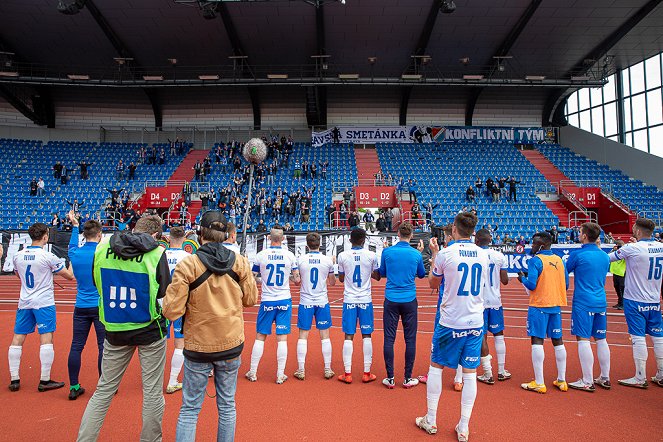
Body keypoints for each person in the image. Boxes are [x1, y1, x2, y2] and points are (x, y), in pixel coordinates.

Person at [162, 211, 258, 442]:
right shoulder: (240, 262)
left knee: (190, 409)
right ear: (225, 235)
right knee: (227, 406)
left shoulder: (188, 265)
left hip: (198, 345)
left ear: (200, 233)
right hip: (231, 343)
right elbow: (250, 299)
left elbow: (171, 311)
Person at [77, 216, 171, 441]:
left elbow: (97, 281)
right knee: (152, 393)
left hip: (114, 327)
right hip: (149, 328)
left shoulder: (102, 249)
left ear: (134, 229)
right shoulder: (156, 253)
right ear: (156, 235)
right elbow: (163, 293)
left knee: (104, 391)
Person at [415, 212, 488, 440]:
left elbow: (433, 283)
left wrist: (434, 257)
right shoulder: (483, 255)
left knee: (436, 367)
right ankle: (464, 426)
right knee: (469, 374)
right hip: (475, 320)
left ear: (454, 229)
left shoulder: (446, 254)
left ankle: (431, 418)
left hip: (450, 320)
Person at [8, 223, 75, 393]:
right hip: (43, 302)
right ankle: (44, 379)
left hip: (25, 301)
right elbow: (68, 277)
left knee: (17, 338)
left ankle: (14, 378)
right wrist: (71, 262)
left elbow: (19, 275)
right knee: (46, 338)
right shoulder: (48, 256)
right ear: (45, 236)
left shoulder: (18, 255)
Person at [608, 218, 663, 388]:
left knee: (638, 337)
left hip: (635, 299)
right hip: (654, 299)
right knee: (658, 337)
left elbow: (606, 259)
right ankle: (661, 374)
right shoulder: (661, 246)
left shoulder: (632, 248)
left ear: (638, 231)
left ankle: (640, 377)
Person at [246, 227, 300, 384]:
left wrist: (262, 280)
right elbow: (297, 280)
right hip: (284, 299)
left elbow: (252, 277)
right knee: (282, 338)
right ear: (283, 239)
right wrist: (289, 277)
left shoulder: (261, 255)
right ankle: (280, 374)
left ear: (269, 238)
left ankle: (253, 372)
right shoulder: (289, 256)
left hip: (267, 300)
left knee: (260, 336)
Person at [518, 231, 569, 394]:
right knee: (558, 341)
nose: (531, 246)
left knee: (537, 340)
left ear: (541, 245)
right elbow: (566, 284)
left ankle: (539, 382)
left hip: (539, 305)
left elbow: (532, 285)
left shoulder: (535, 261)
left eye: (533, 243)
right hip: (556, 305)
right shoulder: (559, 260)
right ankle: (562, 380)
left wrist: (522, 279)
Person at [565, 222, 612, 392]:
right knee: (601, 338)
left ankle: (587, 380)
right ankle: (605, 377)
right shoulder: (604, 256)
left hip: (583, 301)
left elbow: (565, 272)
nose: (578, 234)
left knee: (583, 339)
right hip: (601, 300)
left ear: (585, 236)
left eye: (580, 232)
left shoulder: (577, 255)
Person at [380, 223, 425, 389]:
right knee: (410, 339)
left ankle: (390, 377)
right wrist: (418, 255)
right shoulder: (415, 254)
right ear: (411, 235)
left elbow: (383, 272)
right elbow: (421, 275)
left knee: (389, 339)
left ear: (398, 234)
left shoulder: (387, 252)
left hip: (391, 299)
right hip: (409, 299)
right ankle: (407, 377)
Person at [66, 211, 105, 400]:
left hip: (80, 305)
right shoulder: (102, 254)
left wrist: (74, 225)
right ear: (99, 235)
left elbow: (71, 244)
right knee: (103, 346)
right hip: (99, 306)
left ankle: (74, 386)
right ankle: (103, 385)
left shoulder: (75, 253)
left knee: (76, 346)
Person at [337, 228, 381, 384]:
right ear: (364, 240)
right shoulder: (371, 255)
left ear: (350, 240)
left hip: (349, 299)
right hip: (365, 299)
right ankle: (366, 373)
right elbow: (377, 276)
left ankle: (347, 374)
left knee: (348, 335)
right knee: (366, 335)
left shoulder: (342, 255)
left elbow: (341, 279)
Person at [294, 233, 337, 381]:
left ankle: (301, 370)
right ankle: (327, 368)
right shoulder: (327, 260)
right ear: (320, 244)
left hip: (305, 301)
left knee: (303, 336)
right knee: (325, 336)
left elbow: (297, 281)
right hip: (322, 301)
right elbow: (332, 283)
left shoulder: (301, 259)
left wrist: (295, 276)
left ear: (307, 245)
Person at [474, 229, 511, 385]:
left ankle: (488, 372)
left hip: (478, 301)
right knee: (499, 334)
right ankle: (501, 371)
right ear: (490, 240)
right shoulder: (499, 256)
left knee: (482, 335)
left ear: (476, 240)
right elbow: (505, 281)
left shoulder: (474, 255)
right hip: (495, 300)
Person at [163, 227, 191, 395]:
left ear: (168, 238)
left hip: (162, 304)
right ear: (185, 239)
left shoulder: (160, 255)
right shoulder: (188, 258)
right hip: (180, 304)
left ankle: (155, 380)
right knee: (180, 343)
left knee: (158, 343)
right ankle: (173, 380)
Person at [609, 240, 626, 309]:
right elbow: (608, 256)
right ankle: (619, 302)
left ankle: (623, 303)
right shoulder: (613, 252)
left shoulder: (624, 252)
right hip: (615, 272)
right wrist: (614, 250)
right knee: (617, 288)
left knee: (622, 288)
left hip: (622, 272)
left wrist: (622, 249)